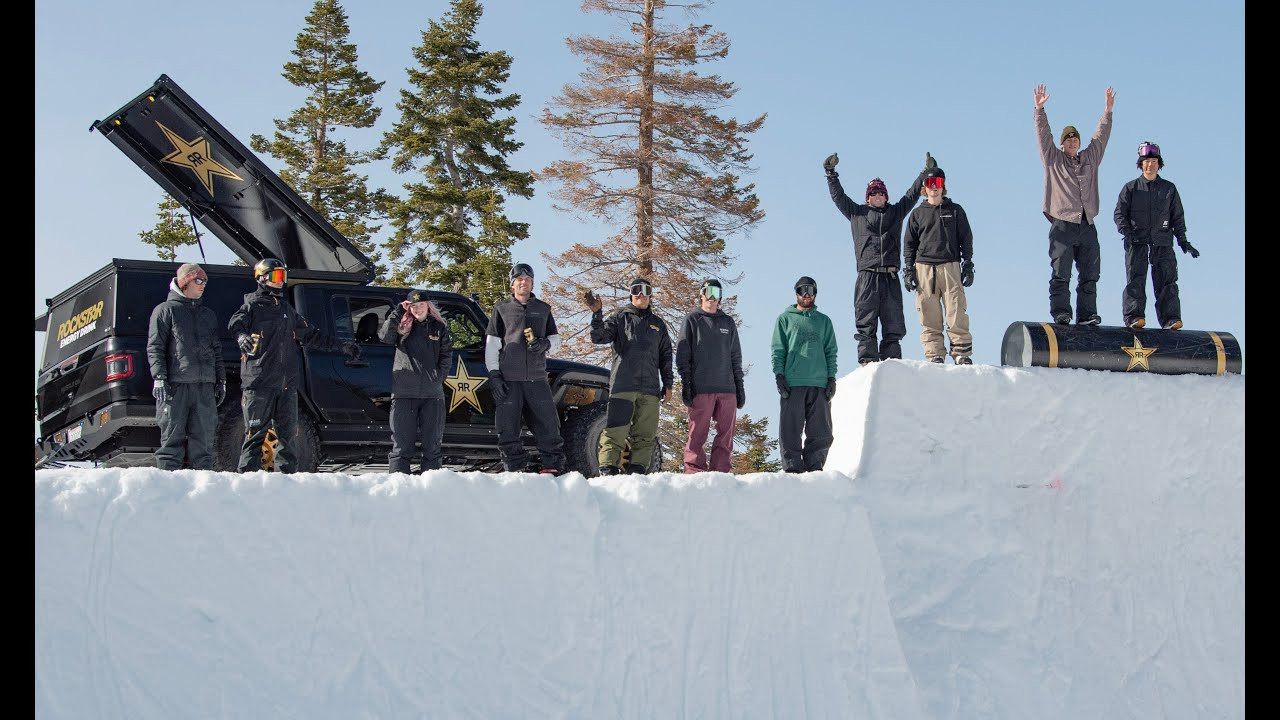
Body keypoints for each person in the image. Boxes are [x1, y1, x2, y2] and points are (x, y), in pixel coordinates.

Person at [227, 258, 361, 472]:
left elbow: (311, 335)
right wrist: (241, 336)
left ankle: (287, 478)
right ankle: (247, 478)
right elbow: (236, 323)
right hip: (259, 383)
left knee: (288, 435)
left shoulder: (287, 310)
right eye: (276, 276)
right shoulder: (252, 305)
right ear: (262, 277)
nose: (281, 281)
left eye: (283, 276)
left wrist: (342, 346)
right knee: (255, 435)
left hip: (286, 385)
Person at [824, 151, 933, 364]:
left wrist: (925, 173)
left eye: (881, 194)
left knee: (893, 325)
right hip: (867, 276)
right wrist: (830, 174)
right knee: (866, 323)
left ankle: (893, 366)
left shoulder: (895, 213)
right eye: (874, 194)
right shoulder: (857, 214)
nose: (878, 197)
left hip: (890, 276)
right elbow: (839, 197)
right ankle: (868, 364)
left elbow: (911, 195)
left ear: (886, 197)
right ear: (868, 197)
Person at [1034, 84, 1115, 325]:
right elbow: (1043, 136)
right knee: (1061, 272)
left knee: (1090, 273)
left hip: (1086, 222)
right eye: (1067, 139)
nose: (1072, 142)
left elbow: (1100, 138)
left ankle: (1087, 315)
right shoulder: (1053, 159)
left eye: (1075, 139)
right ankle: (1062, 312)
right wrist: (1040, 109)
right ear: (1062, 144)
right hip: (1062, 223)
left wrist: (1108, 112)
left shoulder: (1089, 159)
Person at [585, 277, 673, 476]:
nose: (641, 294)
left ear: (651, 295)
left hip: (649, 390)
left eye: (645, 290)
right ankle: (608, 470)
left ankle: (638, 472)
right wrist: (597, 314)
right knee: (615, 430)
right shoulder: (619, 317)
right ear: (630, 294)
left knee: (645, 434)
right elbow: (599, 337)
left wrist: (668, 384)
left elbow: (666, 356)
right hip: (623, 387)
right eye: (636, 290)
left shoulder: (658, 324)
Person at [485, 262, 567, 474]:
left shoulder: (543, 309)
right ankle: (515, 468)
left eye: (528, 280)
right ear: (513, 284)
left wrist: (545, 344)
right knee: (507, 428)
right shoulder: (501, 309)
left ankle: (552, 467)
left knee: (548, 425)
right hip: (509, 379)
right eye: (519, 280)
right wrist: (494, 375)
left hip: (537, 379)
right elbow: (492, 345)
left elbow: (556, 340)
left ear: (532, 283)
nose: (524, 283)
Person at [146, 262, 226, 470]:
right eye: (198, 281)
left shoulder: (208, 314)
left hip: (204, 387)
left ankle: (203, 489)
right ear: (184, 283)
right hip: (175, 386)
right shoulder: (165, 311)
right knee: (172, 441)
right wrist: (159, 378)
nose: (203, 285)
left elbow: (216, 350)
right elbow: (155, 347)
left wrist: (220, 380)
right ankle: (168, 489)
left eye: (205, 282)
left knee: (205, 443)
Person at [1114, 141, 1198, 331]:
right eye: (1146, 161)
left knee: (1167, 280)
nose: (1150, 164)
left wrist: (1183, 241)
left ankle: (1170, 319)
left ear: (1159, 163)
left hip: (1162, 242)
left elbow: (1177, 217)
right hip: (1137, 242)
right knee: (1135, 279)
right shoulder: (1131, 188)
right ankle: (1134, 317)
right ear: (1140, 164)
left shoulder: (1169, 189)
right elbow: (1119, 214)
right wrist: (1127, 232)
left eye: (1153, 161)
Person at [903, 167, 975, 364]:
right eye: (930, 183)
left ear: (944, 186)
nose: (934, 188)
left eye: (938, 183)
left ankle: (961, 352)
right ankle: (935, 353)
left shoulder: (955, 210)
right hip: (924, 269)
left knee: (956, 311)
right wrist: (908, 269)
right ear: (925, 187)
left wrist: (967, 264)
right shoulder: (918, 214)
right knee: (929, 314)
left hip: (950, 266)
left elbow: (966, 238)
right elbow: (909, 244)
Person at [379, 289, 454, 473]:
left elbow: (446, 357)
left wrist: (438, 379)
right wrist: (397, 312)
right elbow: (385, 337)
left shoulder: (439, 328)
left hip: (432, 396)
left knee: (432, 446)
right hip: (404, 394)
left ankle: (430, 488)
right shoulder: (402, 326)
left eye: (421, 305)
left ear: (428, 306)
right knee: (402, 447)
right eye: (413, 306)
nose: (418, 309)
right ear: (409, 307)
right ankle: (398, 486)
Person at [675, 279, 745, 473]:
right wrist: (686, 383)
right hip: (701, 386)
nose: (712, 297)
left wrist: (739, 386)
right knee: (698, 432)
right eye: (708, 292)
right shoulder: (692, 320)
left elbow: (735, 356)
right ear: (701, 294)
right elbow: (683, 355)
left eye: (716, 292)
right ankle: (694, 470)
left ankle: (720, 472)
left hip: (727, 388)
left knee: (726, 434)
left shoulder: (727, 322)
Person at [770, 276, 838, 472]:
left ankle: (815, 468)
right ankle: (792, 468)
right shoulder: (785, 319)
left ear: (816, 293)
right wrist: (779, 375)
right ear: (796, 293)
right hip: (793, 382)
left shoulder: (824, 321)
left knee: (821, 431)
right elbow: (778, 350)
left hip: (819, 381)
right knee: (790, 429)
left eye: (810, 290)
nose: (806, 294)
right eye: (802, 290)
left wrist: (831, 378)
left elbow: (831, 351)